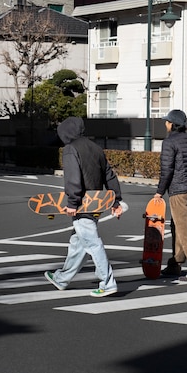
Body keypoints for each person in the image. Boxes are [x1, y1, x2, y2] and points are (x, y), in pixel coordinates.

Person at [44, 116, 123, 297]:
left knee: (92, 242)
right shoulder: (95, 148)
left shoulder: (71, 149)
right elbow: (109, 175)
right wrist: (115, 200)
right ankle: (62, 278)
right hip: (96, 202)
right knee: (78, 243)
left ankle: (108, 282)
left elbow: (72, 178)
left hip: (81, 204)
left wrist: (72, 202)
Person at [154, 109, 187, 282]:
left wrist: (159, 192)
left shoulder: (169, 142)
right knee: (178, 226)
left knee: (185, 228)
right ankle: (175, 264)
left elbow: (167, 169)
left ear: (172, 124)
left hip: (178, 189)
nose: (165, 124)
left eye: (167, 121)